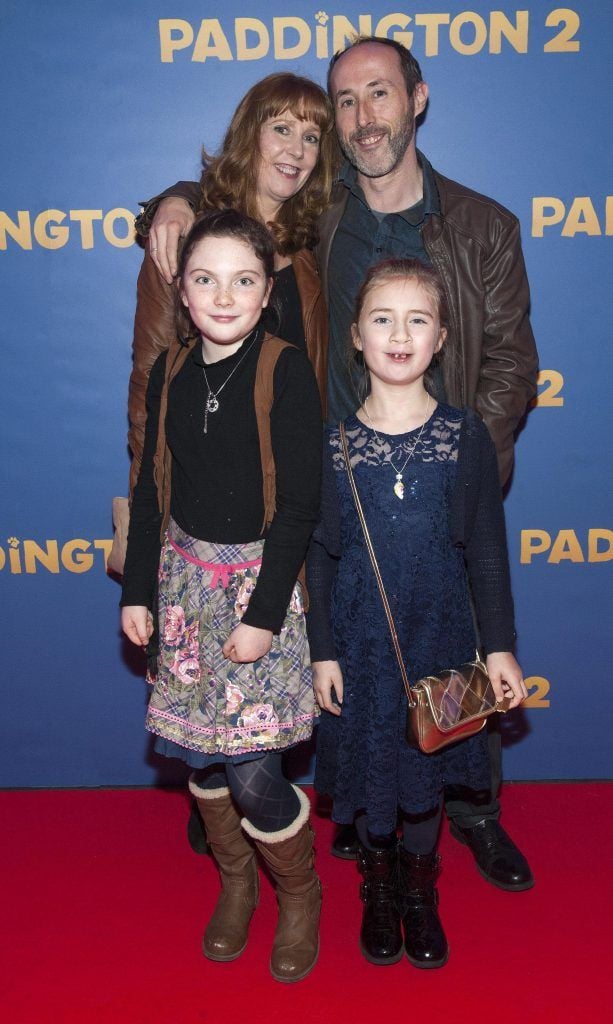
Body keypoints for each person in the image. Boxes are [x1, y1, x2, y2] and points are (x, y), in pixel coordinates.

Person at [137, 36, 538, 889]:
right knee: (350, 656)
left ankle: (472, 813)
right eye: (344, 103)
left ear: (416, 99)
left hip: (438, 478)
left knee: (455, 643)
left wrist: (461, 468)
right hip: (337, 479)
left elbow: (510, 363)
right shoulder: (323, 214)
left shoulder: (484, 225)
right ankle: (361, 817)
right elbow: (236, 212)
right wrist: (169, 202)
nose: (362, 118)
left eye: (378, 95)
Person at [126, 72, 336, 854]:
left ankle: (282, 869)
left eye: (312, 136)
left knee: (254, 740)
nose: (295, 148)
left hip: (277, 514)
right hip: (193, 519)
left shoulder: (309, 246)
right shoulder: (186, 234)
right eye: (280, 128)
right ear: (249, 132)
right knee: (209, 748)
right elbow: (153, 383)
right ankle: (233, 861)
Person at [306, 257, 527, 967]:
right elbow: (318, 557)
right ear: (355, 338)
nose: (399, 333)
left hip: (440, 640)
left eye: (417, 319)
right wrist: (321, 651)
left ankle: (420, 889)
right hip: (362, 644)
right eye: (382, 318)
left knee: (427, 770)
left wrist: (498, 648)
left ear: (439, 340)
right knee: (375, 771)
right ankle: (377, 884)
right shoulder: (331, 446)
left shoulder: (462, 439)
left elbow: (486, 554)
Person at [121, 209, 323, 983]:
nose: (224, 295)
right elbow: (149, 494)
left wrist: (264, 617)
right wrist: (138, 592)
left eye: (243, 279)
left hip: (258, 595)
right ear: (181, 289)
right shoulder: (170, 371)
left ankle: (298, 895)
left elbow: (300, 507)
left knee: (254, 774)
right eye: (204, 279)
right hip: (180, 589)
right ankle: (235, 884)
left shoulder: (284, 369)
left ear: (267, 290)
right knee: (201, 763)